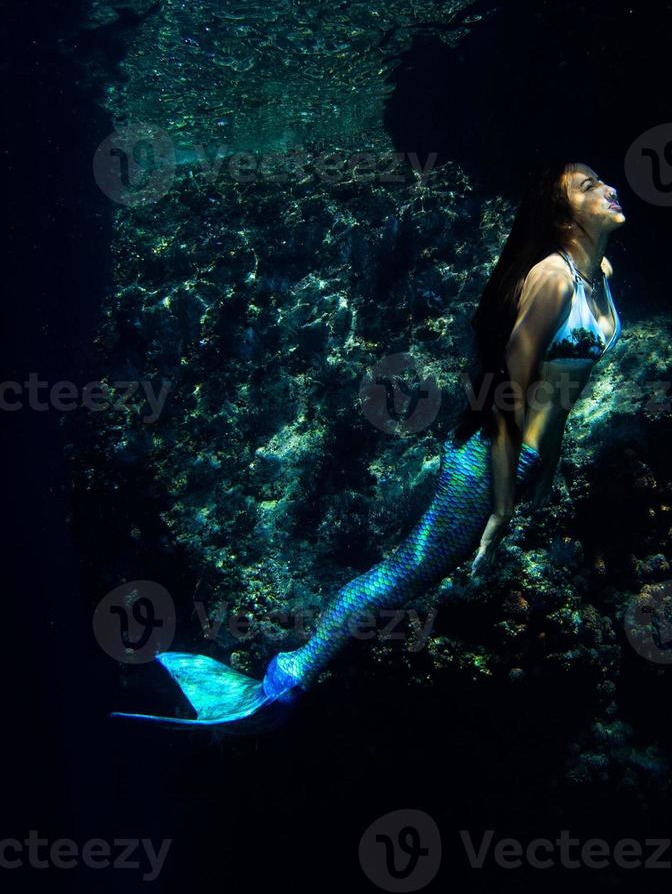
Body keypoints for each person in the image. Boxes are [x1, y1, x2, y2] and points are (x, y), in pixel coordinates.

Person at [113, 161, 627, 726]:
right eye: (588, 186)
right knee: (403, 573)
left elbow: (563, 389)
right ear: (561, 216)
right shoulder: (553, 279)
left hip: (525, 461)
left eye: (601, 180)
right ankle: (287, 675)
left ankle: (296, 677)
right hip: (488, 462)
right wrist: (502, 507)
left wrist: (547, 464)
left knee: (411, 577)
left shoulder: (597, 269)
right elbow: (507, 393)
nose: (609, 188)